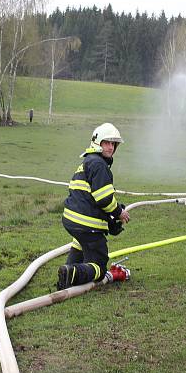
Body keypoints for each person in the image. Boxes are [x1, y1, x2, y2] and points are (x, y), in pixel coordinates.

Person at [57, 123, 131, 290]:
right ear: (97, 143)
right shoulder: (99, 165)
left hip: (72, 221)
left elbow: (91, 198)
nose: (111, 147)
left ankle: (68, 271)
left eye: (113, 144)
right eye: (107, 143)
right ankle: (73, 273)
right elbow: (104, 199)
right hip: (86, 224)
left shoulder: (87, 162)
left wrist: (110, 218)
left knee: (81, 242)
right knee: (99, 266)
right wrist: (119, 213)